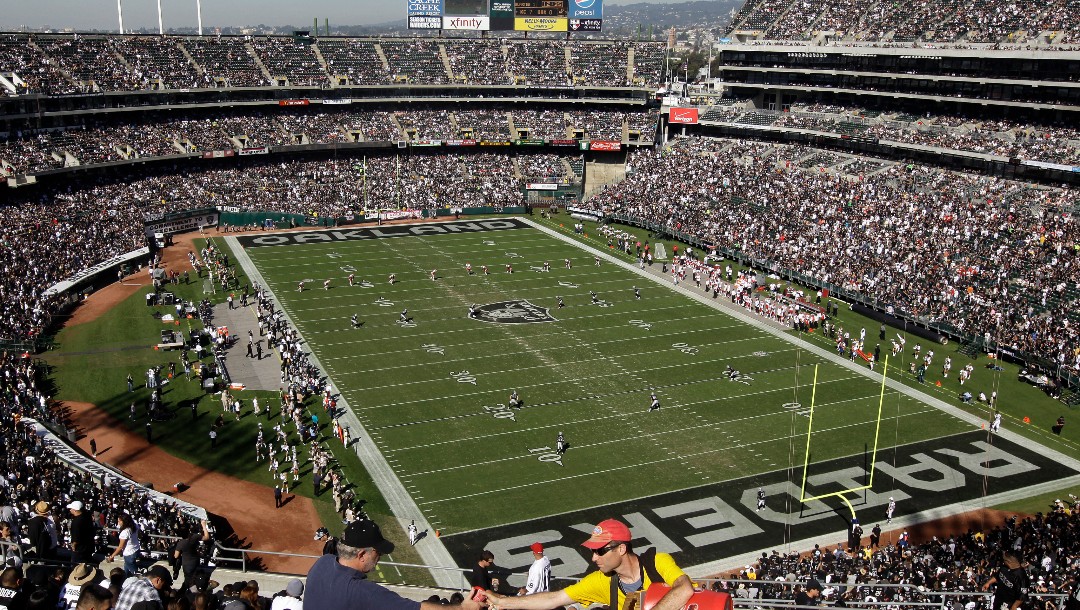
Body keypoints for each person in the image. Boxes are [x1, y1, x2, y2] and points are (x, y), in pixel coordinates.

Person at [487, 518, 693, 610]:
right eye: (593, 551)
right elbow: (554, 598)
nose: (594, 558)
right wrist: (504, 602)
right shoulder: (601, 582)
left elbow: (684, 588)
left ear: (621, 549)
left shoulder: (656, 563)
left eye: (600, 551)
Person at [303, 519, 481, 609]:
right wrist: (463, 608)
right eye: (378, 552)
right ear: (362, 554)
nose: (380, 557)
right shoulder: (362, 591)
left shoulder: (323, 563)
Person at [173, 520, 211, 592]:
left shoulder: (181, 543)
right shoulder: (194, 537)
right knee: (193, 579)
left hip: (186, 565)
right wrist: (203, 525)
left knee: (188, 580)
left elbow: (176, 556)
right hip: (195, 562)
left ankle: (188, 592)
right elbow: (207, 537)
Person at [68, 501, 96, 565]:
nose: (70, 510)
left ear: (75, 510)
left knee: (77, 566)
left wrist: (74, 545)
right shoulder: (87, 516)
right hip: (88, 545)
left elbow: (76, 537)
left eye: (71, 508)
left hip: (80, 549)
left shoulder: (76, 522)